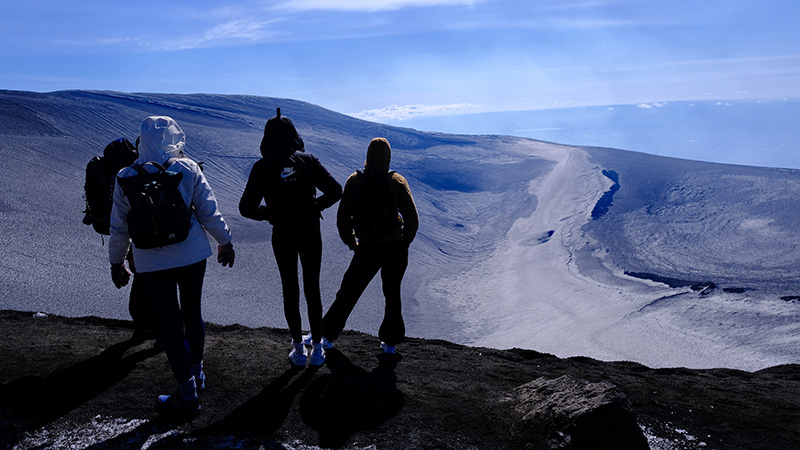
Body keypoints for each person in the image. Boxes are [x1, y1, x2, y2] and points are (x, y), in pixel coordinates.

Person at [108, 116, 235, 416]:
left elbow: (119, 227)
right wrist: (225, 242)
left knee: (169, 324)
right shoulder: (188, 168)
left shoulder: (126, 175)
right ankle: (198, 375)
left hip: (151, 262)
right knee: (192, 313)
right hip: (191, 255)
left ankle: (187, 396)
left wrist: (116, 262)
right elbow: (208, 211)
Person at [239, 109, 342, 367]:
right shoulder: (308, 161)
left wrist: (270, 214)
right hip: (309, 231)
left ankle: (298, 349)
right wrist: (315, 206)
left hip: (283, 233)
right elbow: (335, 190)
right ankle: (317, 349)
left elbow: (246, 208)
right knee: (312, 288)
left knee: (290, 289)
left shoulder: (262, 167)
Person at [319, 137, 418, 354]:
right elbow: (412, 218)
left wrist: (352, 243)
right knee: (392, 295)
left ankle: (326, 336)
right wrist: (404, 243)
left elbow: (342, 217)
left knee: (348, 292)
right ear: (388, 156)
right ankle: (390, 344)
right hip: (394, 248)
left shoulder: (355, 180)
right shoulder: (397, 181)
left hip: (366, 248)